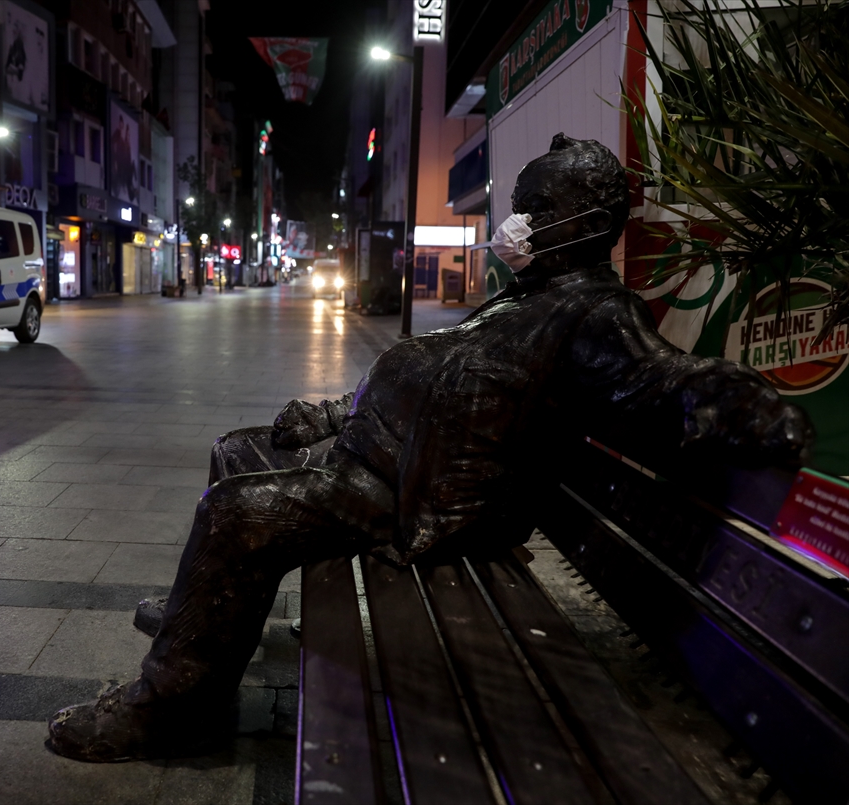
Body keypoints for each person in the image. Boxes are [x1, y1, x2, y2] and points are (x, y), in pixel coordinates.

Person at [46, 134, 813, 763]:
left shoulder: (594, 314)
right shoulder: (531, 295)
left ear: (584, 219)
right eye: (519, 207)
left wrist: (759, 409)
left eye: (534, 209)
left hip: (417, 498)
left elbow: (664, 382)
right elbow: (438, 379)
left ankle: (172, 707)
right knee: (240, 450)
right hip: (378, 456)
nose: (517, 223)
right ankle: (202, 618)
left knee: (237, 513)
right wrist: (332, 410)